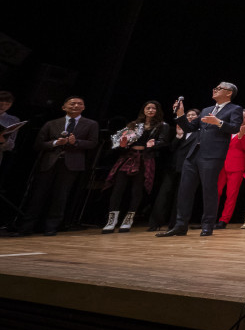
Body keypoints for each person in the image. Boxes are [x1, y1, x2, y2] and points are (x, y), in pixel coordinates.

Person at [159, 83, 244, 238]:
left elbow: (235, 128)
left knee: (209, 191)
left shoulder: (235, 109)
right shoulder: (206, 110)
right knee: (184, 190)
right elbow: (189, 128)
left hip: (212, 155)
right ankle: (180, 225)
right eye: (215, 88)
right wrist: (180, 114)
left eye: (219, 88)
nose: (214, 90)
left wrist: (218, 122)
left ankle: (207, 226)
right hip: (194, 154)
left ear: (229, 93)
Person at [10, 96, 98, 236]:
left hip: (71, 164)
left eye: (79, 104)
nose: (76, 106)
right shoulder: (51, 123)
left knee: (61, 196)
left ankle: (51, 227)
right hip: (49, 162)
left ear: (84, 107)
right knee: (37, 195)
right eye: (72, 103)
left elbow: (93, 143)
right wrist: (56, 143)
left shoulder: (91, 124)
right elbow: (38, 144)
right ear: (64, 107)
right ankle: (26, 227)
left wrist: (76, 142)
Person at [102, 100, 169, 233]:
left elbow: (164, 142)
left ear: (158, 111)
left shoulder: (162, 125)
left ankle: (128, 220)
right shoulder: (134, 124)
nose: (150, 110)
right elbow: (121, 142)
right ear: (143, 110)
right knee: (118, 189)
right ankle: (111, 220)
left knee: (136, 190)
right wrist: (122, 144)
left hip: (145, 158)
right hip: (127, 157)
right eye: (148, 108)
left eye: (153, 108)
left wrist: (154, 145)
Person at [147, 110, 198, 231]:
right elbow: (171, 149)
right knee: (164, 194)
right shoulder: (181, 129)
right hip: (173, 166)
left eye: (193, 115)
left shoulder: (200, 132)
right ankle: (155, 223)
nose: (190, 117)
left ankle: (175, 224)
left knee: (181, 197)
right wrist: (178, 136)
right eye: (188, 115)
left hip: (189, 168)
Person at [215, 109, 245, 230]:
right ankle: (209, 218)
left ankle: (224, 220)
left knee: (231, 195)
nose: (241, 119)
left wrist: (241, 137)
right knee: (215, 192)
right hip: (220, 164)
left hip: (236, 166)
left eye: (244, 117)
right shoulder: (227, 128)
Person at [0, 91, 20, 171]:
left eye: (7, 104)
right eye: (1, 103)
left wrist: (4, 141)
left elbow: (11, 145)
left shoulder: (13, 120)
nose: (3, 106)